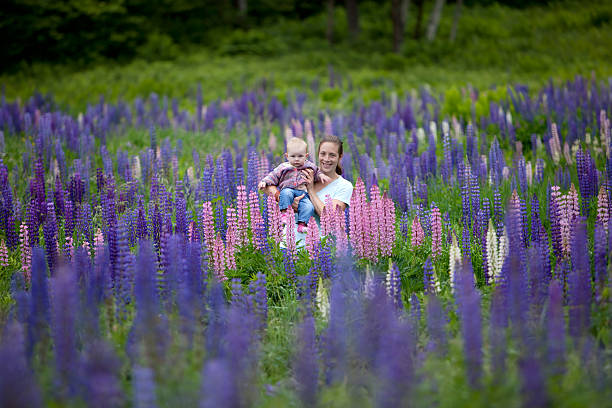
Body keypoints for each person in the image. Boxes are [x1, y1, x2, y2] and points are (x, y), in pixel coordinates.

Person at [261, 134, 353, 244]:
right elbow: (266, 186)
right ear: (318, 155)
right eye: (323, 154)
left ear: (340, 157)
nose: (326, 159)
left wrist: (310, 190)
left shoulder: (344, 186)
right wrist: (284, 199)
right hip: (288, 245)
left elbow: (330, 218)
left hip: (320, 251)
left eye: (332, 155)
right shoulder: (304, 170)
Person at [258, 137, 330, 233]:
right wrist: (264, 181)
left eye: (300, 156)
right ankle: (284, 214)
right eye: (293, 156)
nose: (296, 159)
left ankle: (302, 224)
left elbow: (317, 171)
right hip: (289, 189)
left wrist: (321, 176)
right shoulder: (283, 167)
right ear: (287, 156)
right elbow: (273, 175)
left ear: (306, 156)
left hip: (302, 193)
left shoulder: (309, 165)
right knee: (286, 194)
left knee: (309, 207)